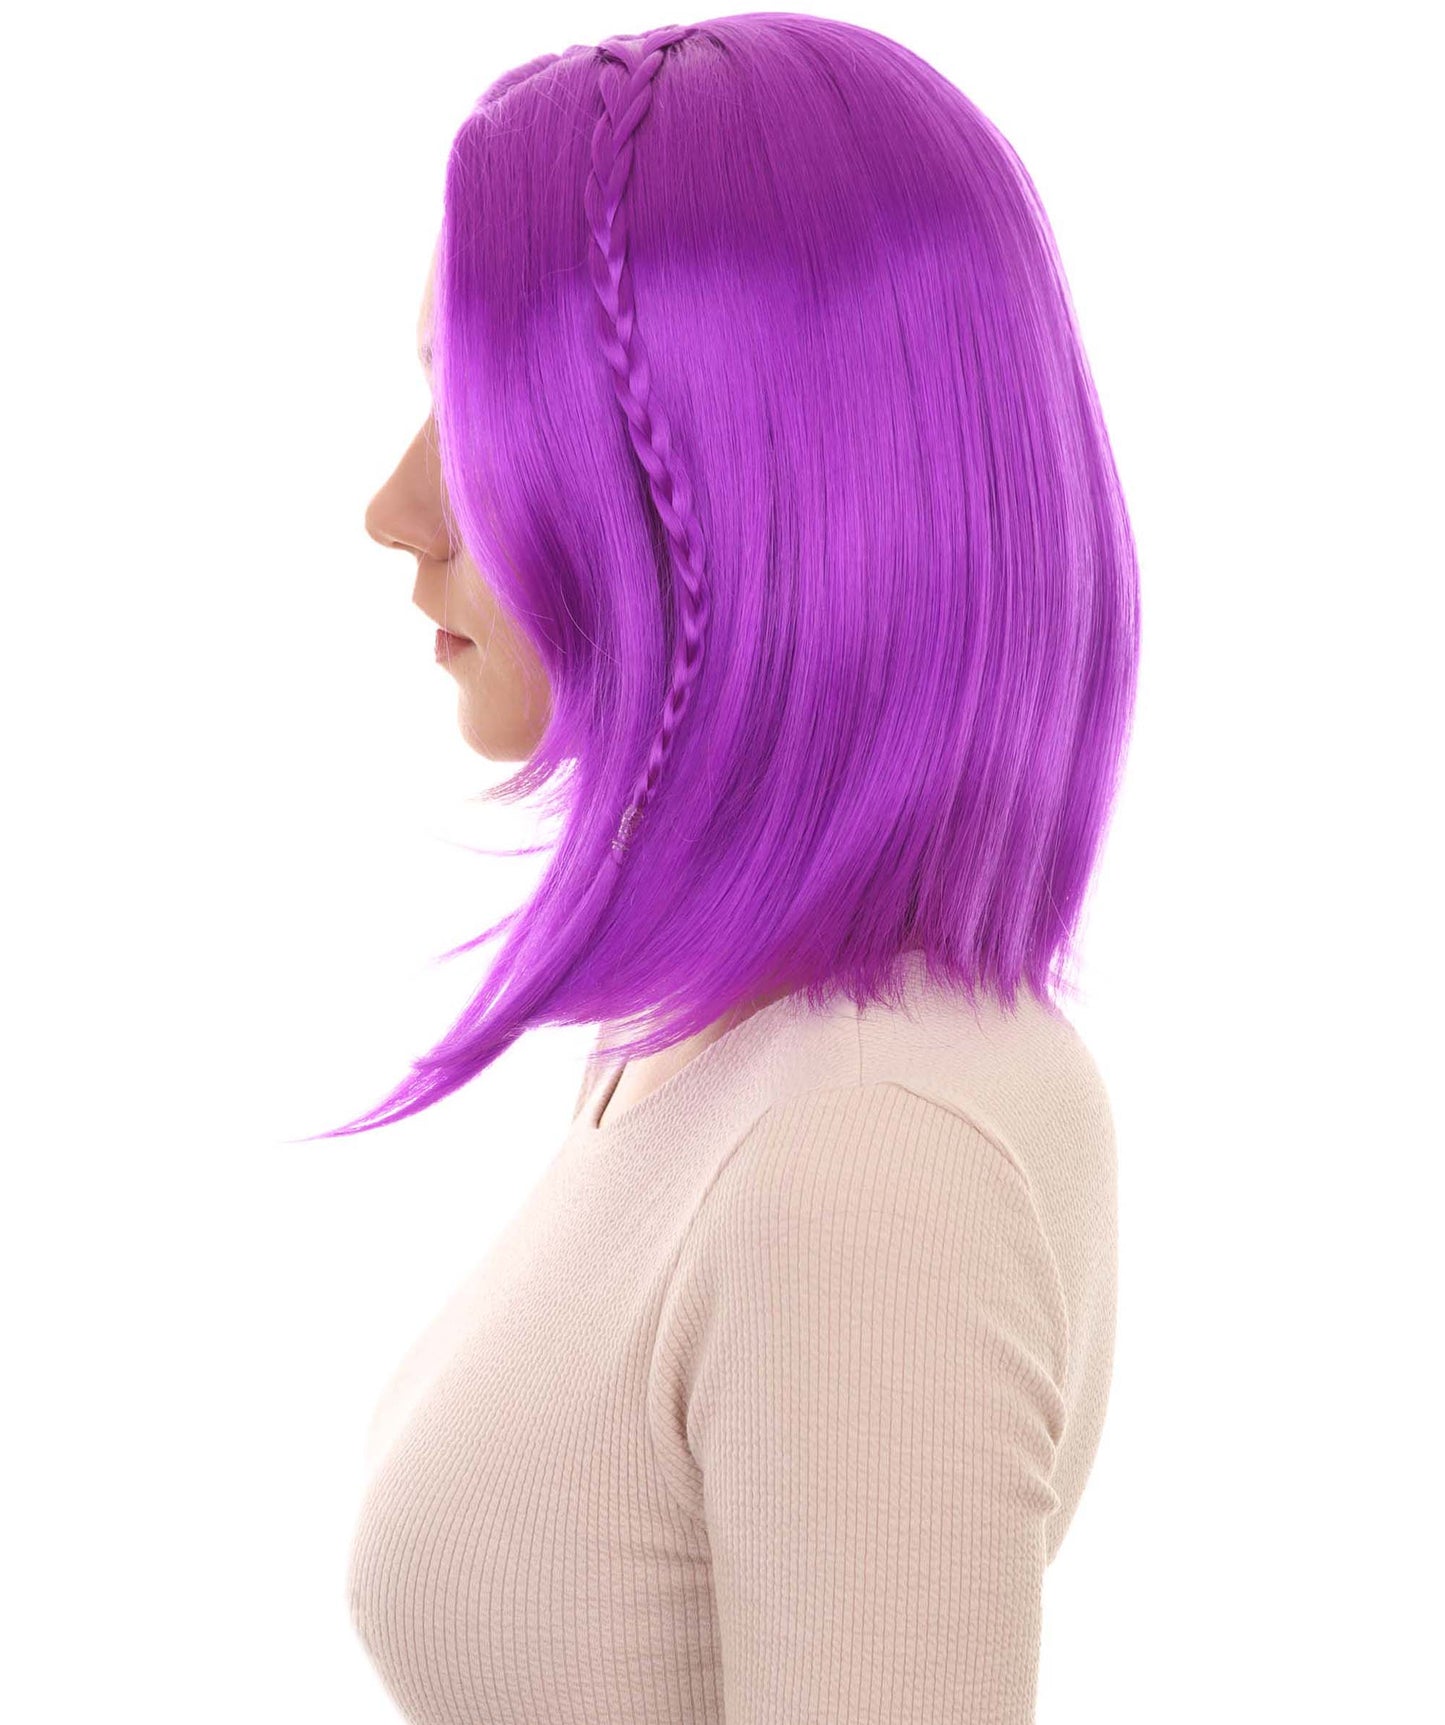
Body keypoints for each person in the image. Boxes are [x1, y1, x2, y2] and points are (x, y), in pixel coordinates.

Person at [340, 15, 1139, 1723]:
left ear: (729, 482)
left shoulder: (866, 1151)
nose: (394, 508)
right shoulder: (717, 1045)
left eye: (481, 411)